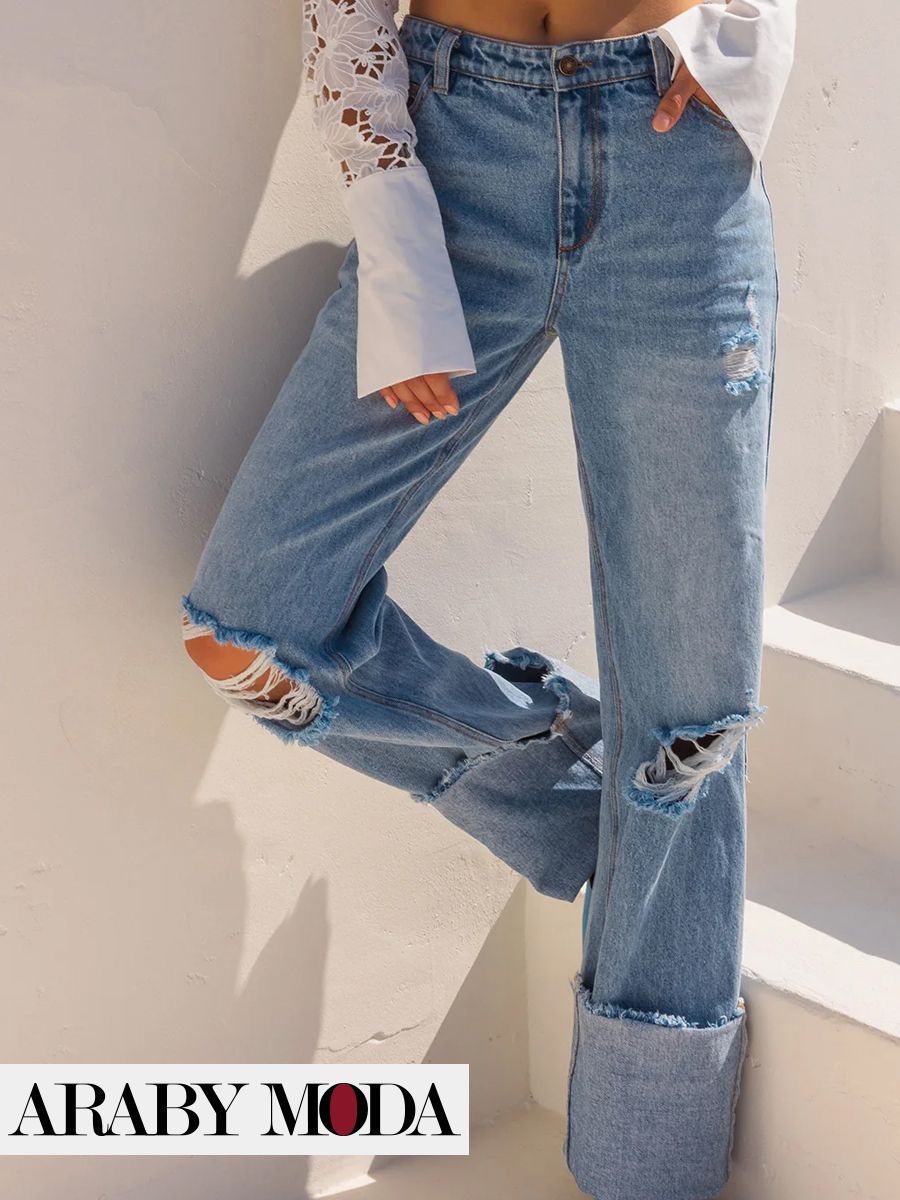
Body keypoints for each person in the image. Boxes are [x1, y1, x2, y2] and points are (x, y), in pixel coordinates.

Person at [180, 1, 796, 1195]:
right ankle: (580, 803)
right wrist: (394, 227)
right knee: (249, 627)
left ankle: (647, 1168)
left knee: (690, 722)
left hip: (678, 165)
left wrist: (744, 37)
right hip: (459, 147)